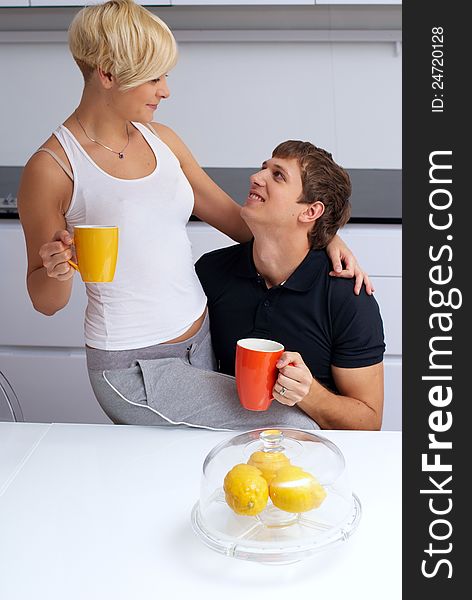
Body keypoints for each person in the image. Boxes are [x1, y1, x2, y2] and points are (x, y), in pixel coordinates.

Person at [17, 0, 369, 428]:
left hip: (200, 341)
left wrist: (326, 233)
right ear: (107, 74)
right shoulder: (52, 168)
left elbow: (240, 222)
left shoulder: (162, 139)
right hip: (135, 367)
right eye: (153, 78)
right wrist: (56, 271)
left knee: (206, 466)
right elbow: (46, 302)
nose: (165, 90)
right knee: (295, 427)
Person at [196, 141, 385, 430]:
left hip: (309, 460)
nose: (255, 178)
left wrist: (310, 394)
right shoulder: (211, 272)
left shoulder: (346, 296)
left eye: (278, 175)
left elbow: (369, 422)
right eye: (263, 169)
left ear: (310, 212)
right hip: (221, 442)